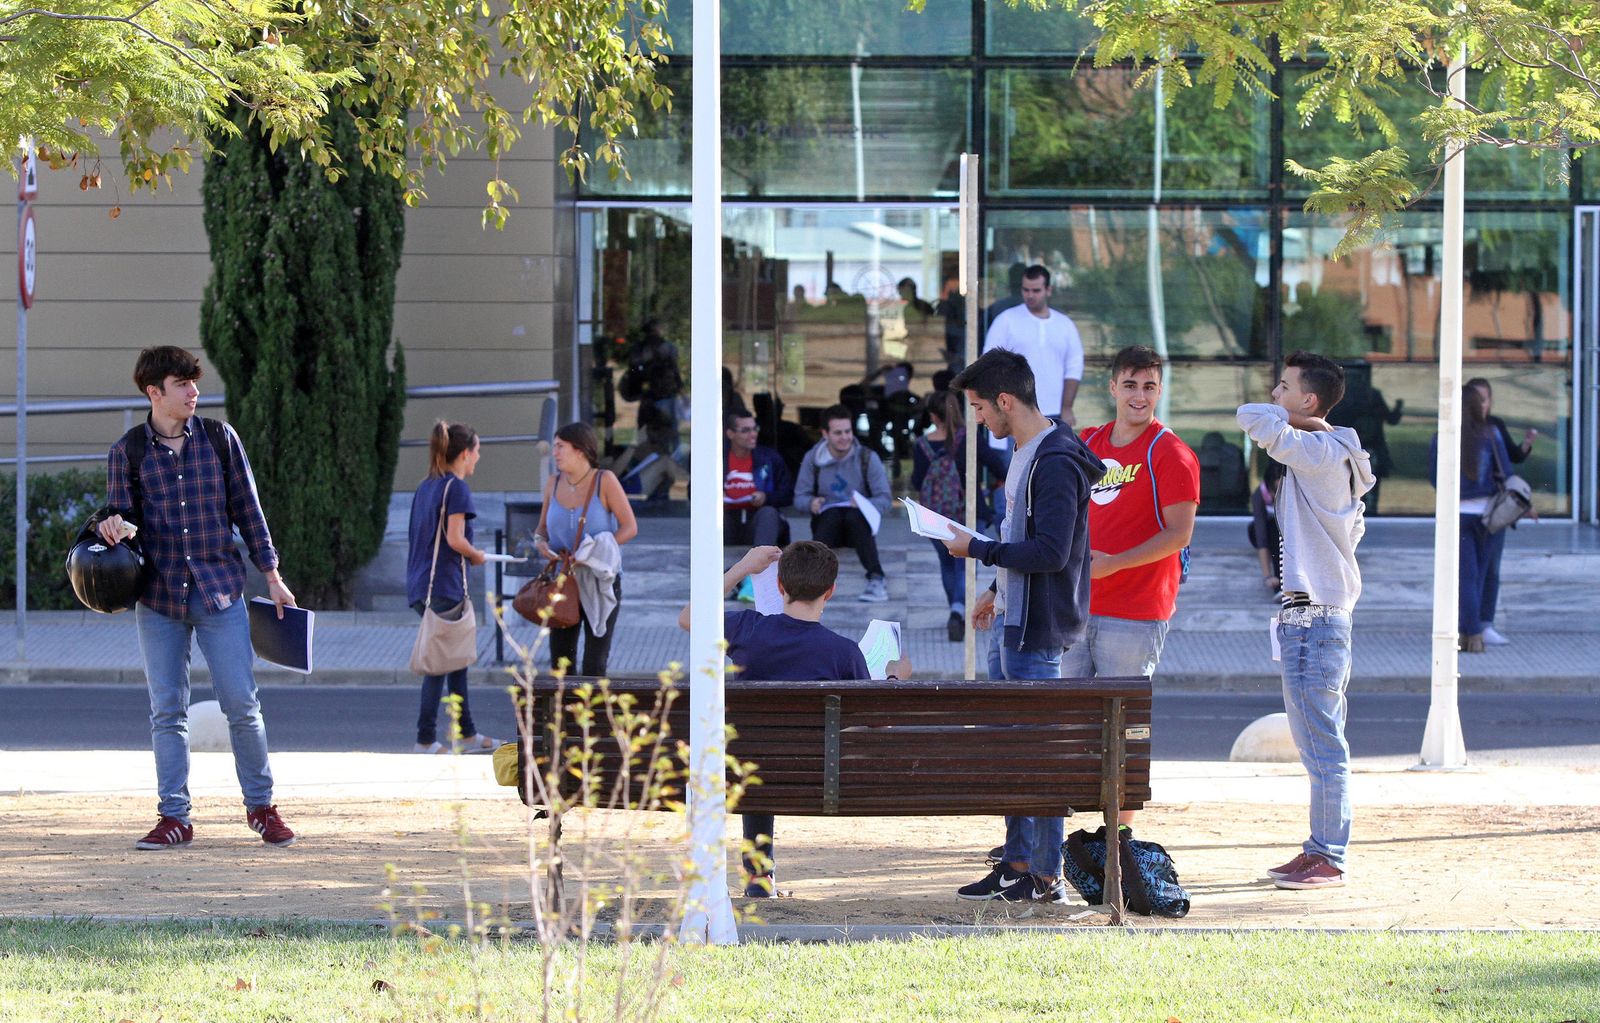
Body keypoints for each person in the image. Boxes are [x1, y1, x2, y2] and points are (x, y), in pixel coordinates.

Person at [94, 345, 298, 850]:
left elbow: (248, 510)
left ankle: (261, 808)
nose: (194, 392)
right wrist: (111, 525)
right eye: (182, 384)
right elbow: (121, 519)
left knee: (242, 704)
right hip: (158, 598)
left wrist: (272, 575)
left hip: (220, 592)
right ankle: (175, 817)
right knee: (167, 712)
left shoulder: (219, 439)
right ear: (154, 392)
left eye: (193, 382)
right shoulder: (127, 452)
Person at [941, 349, 1104, 903]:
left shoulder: (1053, 461)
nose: (978, 418)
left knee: (1036, 750)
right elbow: (1024, 534)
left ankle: (1044, 874)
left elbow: (1052, 552)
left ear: (1006, 401)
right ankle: (1016, 865)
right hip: (1014, 616)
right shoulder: (1027, 450)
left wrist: (977, 550)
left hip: (1036, 625)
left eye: (980, 407)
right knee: (1016, 749)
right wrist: (994, 589)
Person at [677, 542, 911, 897]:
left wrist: (743, 567)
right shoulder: (844, 653)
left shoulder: (748, 630)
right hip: (819, 777)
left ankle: (758, 874)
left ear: (779, 585)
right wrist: (895, 679)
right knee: (776, 750)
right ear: (830, 591)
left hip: (749, 774)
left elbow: (688, 618)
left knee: (759, 749)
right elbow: (880, 722)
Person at [1238, 351, 1375, 891]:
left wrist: (1306, 422)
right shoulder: (1335, 451)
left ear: (1308, 399)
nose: (1275, 393)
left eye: (1284, 386)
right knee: (1319, 743)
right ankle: (1320, 848)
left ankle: (1329, 855)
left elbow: (1251, 417)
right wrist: (1314, 421)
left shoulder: (1319, 450)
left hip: (1314, 618)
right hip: (1316, 616)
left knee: (1323, 747)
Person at [1070, 345, 1200, 688]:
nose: (1139, 396)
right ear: (1113, 387)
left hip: (1136, 613)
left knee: (1121, 717)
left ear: (1160, 391)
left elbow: (1179, 535)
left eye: (1149, 387)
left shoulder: (1172, 453)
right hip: (1075, 604)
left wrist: (1115, 563)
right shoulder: (1088, 442)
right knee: (1066, 716)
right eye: (1130, 385)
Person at [406, 421, 498, 754]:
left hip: (421, 585)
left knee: (455, 661)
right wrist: (477, 555)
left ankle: (467, 734)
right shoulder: (456, 489)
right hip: (444, 586)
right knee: (439, 664)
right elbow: (456, 539)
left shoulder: (426, 486)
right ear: (464, 454)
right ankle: (425, 739)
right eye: (477, 452)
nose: (478, 459)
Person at [534, 422, 639, 676]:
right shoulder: (553, 483)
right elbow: (542, 528)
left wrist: (597, 552)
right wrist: (540, 543)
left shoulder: (605, 480)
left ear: (580, 450)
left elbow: (629, 527)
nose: (555, 453)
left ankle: (593, 705)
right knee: (561, 662)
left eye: (560, 447)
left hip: (600, 579)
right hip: (564, 580)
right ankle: (564, 705)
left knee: (594, 663)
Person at [910, 390, 1007, 641]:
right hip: (969, 511)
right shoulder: (970, 438)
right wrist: (993, 486)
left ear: (933, 416)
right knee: (965, 563)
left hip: (934, 517)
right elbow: (999, 467)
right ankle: (958, 610)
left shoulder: (922, 445)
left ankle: (956, 611)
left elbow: (917, 481)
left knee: (946, 563)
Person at [1430, 386, 1514, 654]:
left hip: (1457, 515)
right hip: (1489, 516)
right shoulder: (1491, 434)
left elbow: (1434, 477)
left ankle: (1470, 632)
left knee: (1465, 576)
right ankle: (1475, 631)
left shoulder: (1442, 436)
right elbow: (1506, 471)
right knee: (1482, 573)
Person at [793, 405, 893, 603]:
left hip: (859, 528)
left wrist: (865, 504)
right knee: (832, 515)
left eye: (848, 431)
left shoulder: (866, 457)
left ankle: (876, 578)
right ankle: (812, 581)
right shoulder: (813, 458)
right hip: (827, 525)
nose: (845, 437)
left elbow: (885, 499)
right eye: (838, 433)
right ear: (825, 434)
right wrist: (811, 503)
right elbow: (799, 498)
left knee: (853, 516)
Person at [1466, 377, 1536, 646]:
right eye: (1477, 399)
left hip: (1493, 513)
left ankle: (1480, 625)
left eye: (1485, 399)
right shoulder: (1458, 431)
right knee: (1471, 574)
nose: (1482, 405)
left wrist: (1526, 445)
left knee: (1487, 571)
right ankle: (1471, 627)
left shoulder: (1493, 429)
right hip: (1477, 514)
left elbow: (1510, 461)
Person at [982, 264, 1084, 427]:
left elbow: (1074, 367)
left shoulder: (1065, 325)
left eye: (1036, 290)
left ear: (1048, 290)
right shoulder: (1005, 320)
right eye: (1026, 290)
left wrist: (1067, 408)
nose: (1030, 295)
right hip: (1015, 413)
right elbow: (989, 364)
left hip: (1055, 414)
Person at [724, 410, 793, 548]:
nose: (753, 434)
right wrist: (713, 497)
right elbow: (693, 491)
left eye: (755, 429)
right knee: (714, 517)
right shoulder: (716, 458)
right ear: (730, 434)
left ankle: (762, 560)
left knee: (768, 514)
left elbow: (788, 494)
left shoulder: (769, 458)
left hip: (758, 520)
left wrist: (766, 497)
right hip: (727, 520)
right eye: (746, 430)